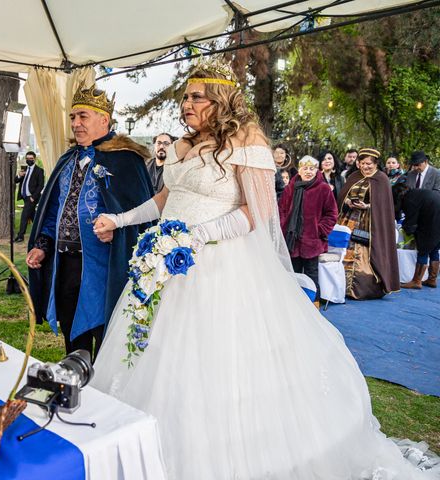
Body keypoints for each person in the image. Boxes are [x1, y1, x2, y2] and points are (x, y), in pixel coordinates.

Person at [90, 62, 437, 479]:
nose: (186, 104)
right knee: (149, 351)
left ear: (221, 99)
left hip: (220, 266)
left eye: (196, 96)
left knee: (219, 364)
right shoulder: (183, 145)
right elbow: (166, 198)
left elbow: (255, 214)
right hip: (165, 266)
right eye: (184, 97)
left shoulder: (248, 140)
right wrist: (121, 219)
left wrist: (195, 237)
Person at [25, 84, 154, 358]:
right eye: (72, 117)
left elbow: (143, 217)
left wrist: (117, 233)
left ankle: (102, 395)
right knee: (73, 341)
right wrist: (43, 245)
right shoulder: (67, 160)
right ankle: (76, 388)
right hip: (66, 267)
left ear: (104, 120)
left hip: (107, 270)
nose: (76, 123)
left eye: (83, 116)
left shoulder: (126, 160)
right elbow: (52, 213)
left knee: (108, 347)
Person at [337, 148, 399, 299]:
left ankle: (362, 289)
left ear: (376, 164)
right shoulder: (354, 176)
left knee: (365, 254)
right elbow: (341, 197)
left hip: (371, 223)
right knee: (344, 252)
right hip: (349, 220)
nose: (366, 166)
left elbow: (384, 206)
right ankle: (341, 287)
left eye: (369, 164)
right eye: (363, 163)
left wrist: (368, 206)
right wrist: (348, 202)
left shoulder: (382, 179)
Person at [279, 155, 338, 305]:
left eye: (312, 168)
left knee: (312, 274)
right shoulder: (291, 187)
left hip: (313, 241)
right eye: (305, 168)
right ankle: (295, 304)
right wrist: (284, 226)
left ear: (317, 170)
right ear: (299, 170)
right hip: (293, 240)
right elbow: (282, 210)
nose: (308, 171)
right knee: (294, 274)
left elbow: (332, 214)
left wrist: (319, 230)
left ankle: (314, 304)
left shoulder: (323, 188)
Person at [393, 179, 440, 289]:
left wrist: (409, 232)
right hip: (436, 221)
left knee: (423, 251)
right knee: (434, 250)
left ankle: (416, 281)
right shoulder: (417, 193)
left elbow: (410, 223)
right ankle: (432, 279)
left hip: (431, 223)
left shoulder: (409, 200)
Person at [14, 151, 44, 242]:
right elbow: (16, 181)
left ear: (34, 159)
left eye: (31, 159)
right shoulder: (24, 169)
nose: (29, 160)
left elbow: (41, 185)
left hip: (31, 198)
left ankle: (20, 236)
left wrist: (33, 197)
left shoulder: (39, 170)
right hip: (25, 197)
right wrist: (19, 175)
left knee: (24, 216)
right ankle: (41, 233)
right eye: (27, 159)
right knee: (33, 216)